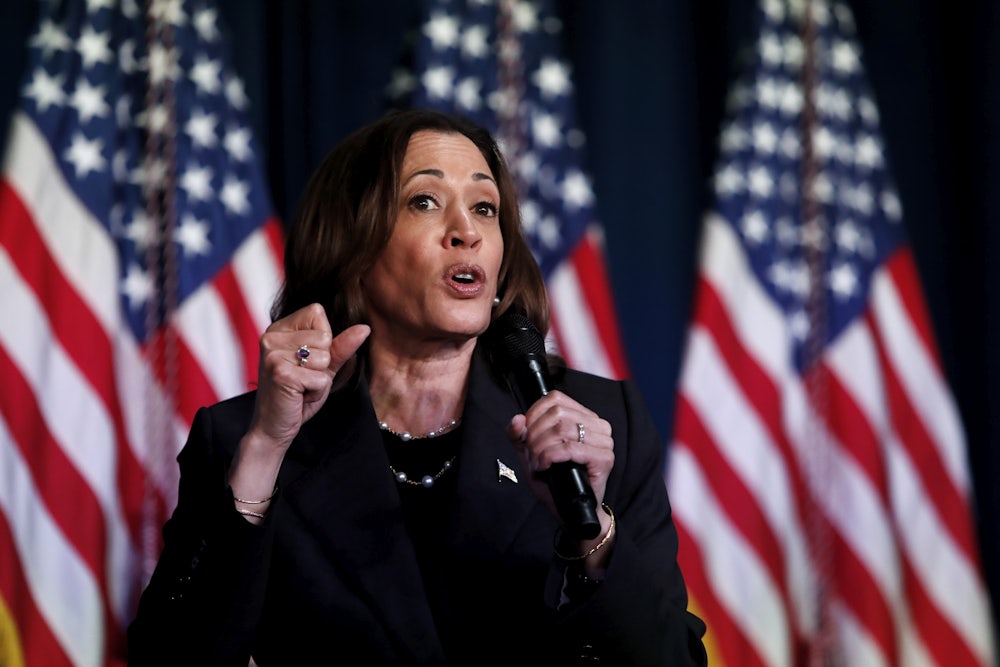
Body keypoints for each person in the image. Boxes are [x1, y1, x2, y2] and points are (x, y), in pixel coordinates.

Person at [126, 108, 708, 666]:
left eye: (485, 208)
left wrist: (593, 533)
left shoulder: (602, 425)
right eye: (424, 202)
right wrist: (264, 451)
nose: (467, 233)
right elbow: (170, 657)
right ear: (352, 246)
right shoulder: (243, 441)